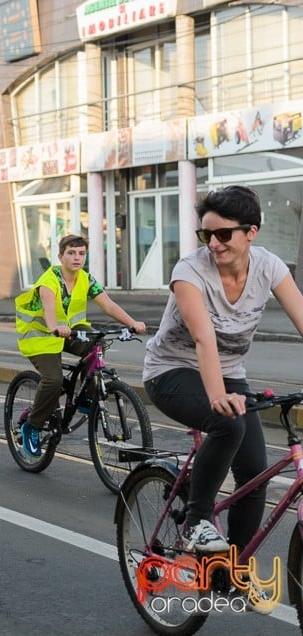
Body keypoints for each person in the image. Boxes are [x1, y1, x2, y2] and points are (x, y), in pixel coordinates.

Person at [144, 186, 303, 556]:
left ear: (251, 232)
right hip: (171, 371)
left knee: (255, 474)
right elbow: (203, 339)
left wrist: (225, 390)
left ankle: (235, 565)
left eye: (223, 234)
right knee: (227, 422)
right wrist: (217, 397)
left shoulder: (269, 266)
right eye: (206, 234)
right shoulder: (189, 271)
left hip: (229, 373)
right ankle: (196, 522)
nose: (213, 244)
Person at [14, 234, 145, 457]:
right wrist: (56, 327)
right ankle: (32, 426)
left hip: (71, 332)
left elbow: (109, 305)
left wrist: (132, 323)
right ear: (60, 256)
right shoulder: (49, 280)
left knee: (97, 341)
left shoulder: (86, 279)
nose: (77, 258)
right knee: (53, 381)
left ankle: (86, 395)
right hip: (41, 335)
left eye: (81, 253)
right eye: (71, 253)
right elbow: (48, 309)